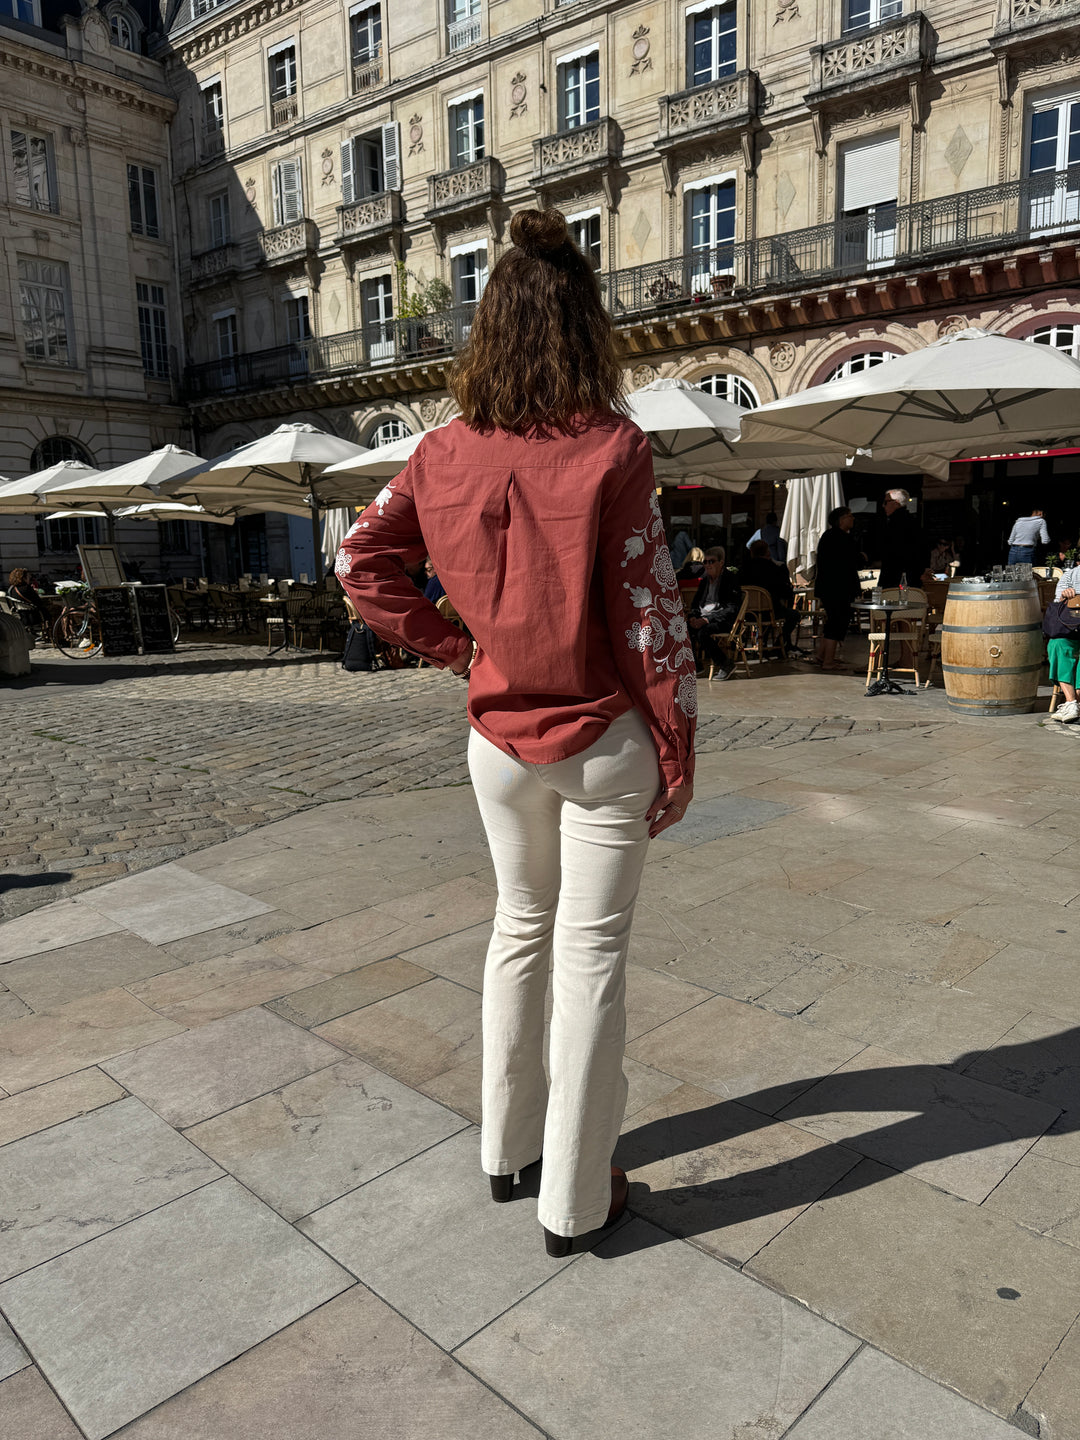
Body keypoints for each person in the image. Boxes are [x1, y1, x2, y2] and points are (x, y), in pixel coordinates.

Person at [335, 209, 696, 1257]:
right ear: (585, 329)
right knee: (589, 958)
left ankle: (508, 1154)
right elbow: (648, 611)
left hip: (497, 742)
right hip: (597, 739)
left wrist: (455, 649)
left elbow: (361, 562)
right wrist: (675, 740)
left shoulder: (439, 452)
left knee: (517, 931)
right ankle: (578, 1202)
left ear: (484, 334)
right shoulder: (614, 446)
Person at [810, 505, 862, 671]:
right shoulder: (841, 538)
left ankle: (822, 656)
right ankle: (828, 661)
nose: (852, 518)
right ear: (841, 520)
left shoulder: (828, 536)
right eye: (849, 515)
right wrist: (862, 557)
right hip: (839, 588)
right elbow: (854, 560)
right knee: (837, 621)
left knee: (832, 621)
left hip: (829, 587)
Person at [688, 545, 742, 678]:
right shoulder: (705, 581)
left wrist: (707, 619)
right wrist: (693, 617)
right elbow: (695, 604)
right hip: (704, 617)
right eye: (705, 562)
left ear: (721, 563)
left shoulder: (730, 579)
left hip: (723, 620)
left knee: (703, 633)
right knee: (682, 629)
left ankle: (725, 664)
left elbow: (732, 608)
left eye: (711, 561)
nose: (707, 565)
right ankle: (696, 665)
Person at [741, 539, 800, 653]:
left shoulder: (743, 569)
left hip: (747, 614)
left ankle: (759, 642)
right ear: (767, 552)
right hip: (770, 613)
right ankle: (780, 643)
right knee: (794, 615)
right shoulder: (774, 569)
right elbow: (786, 593)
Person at [879, 488, 931, 589]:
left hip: (895, 578)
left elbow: (892, 554)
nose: (883, 505)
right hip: (912, 578)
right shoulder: (913, 522)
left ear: (896, 503)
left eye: (886, 502)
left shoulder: (894, 524)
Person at [1050, 561, 1080, 723]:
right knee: (1057, 644)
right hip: (1071, 627)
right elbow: (1058, 607)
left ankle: (1073, 704)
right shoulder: (1071, 575)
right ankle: (1072, 702)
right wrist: (1064, 596)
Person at [4, 568, 49, 635]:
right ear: (23, 578)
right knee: (55, 609)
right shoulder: (27, 588)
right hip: (32, 616)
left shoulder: (12, 589)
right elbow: (38, 602)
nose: (29, 579)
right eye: (28, 577)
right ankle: (55, 635)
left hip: (20, 615)